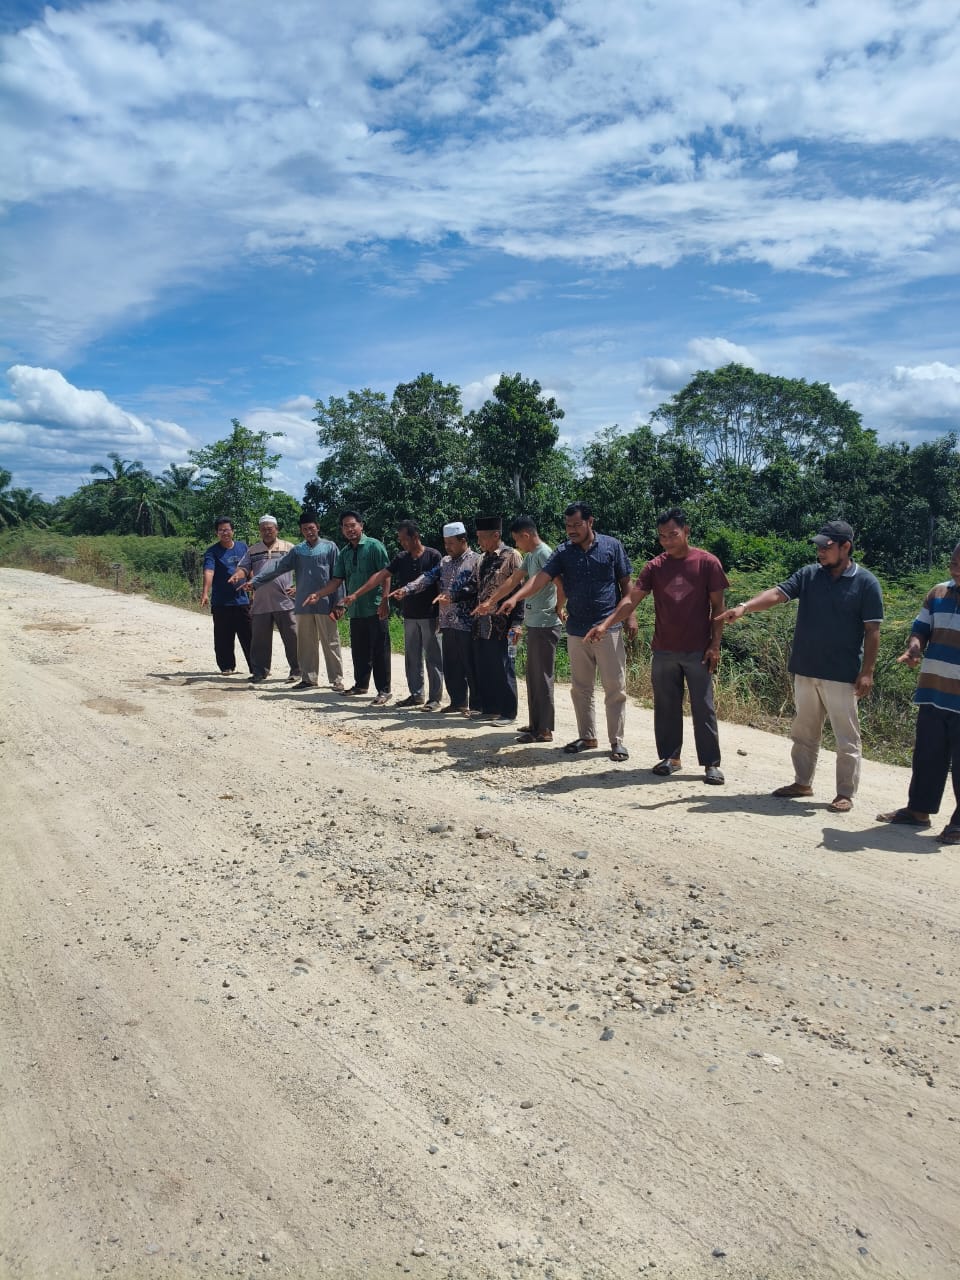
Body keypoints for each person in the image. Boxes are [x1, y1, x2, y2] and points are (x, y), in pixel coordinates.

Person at [718, 520, 883, 812]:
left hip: (842, 673)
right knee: (804, 732)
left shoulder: (866, 582)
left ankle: (845, 793)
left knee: (846, 736)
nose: (820, 551)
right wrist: (744, 607)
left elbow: (873, 630)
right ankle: (802, 782)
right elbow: (778, 593)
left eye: (826, 547)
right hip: (806, 668)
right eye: (818, 546)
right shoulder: (809, 575)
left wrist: (867, 672)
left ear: (845, 547)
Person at [585, 508, 728, 784]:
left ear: (686, 531)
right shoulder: (655, 567)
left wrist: (715, 645)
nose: (667, 541)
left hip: (698, 650)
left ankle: (711, 764)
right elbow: (631, 600)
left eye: (673, 534)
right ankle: (671, 758)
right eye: (662, 536)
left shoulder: (707, 563)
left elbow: (718, 608)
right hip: (663, 649)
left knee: (703, 707)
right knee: (665, 706)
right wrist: (606, 624)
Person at [500, 501, 636, 761]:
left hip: (609, 626)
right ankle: (587, 736)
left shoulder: (612, 546)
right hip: (577, 630)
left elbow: (626, 582)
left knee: (614, 687)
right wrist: (515, 598)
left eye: (577, 524)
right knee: (581, 688)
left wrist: (631, 617)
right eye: (568, 525)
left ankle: (617, 742)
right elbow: (540, 579)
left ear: (590, 522)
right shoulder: (563, 552)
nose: (571, 530)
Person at [877, 541, 960, 845]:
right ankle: (918, 811)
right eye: (953, 562)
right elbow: (921, 629)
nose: (955, 569)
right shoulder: (938, 593)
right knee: (927, 755)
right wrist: (914, 648)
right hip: (934, 691)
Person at [473, 515, 562, 742]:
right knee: (533, 677)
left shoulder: (544, 553)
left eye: (516, 540)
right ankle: (535, 724)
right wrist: (490, 601)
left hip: (545, 623)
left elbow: (560, 583)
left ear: (526, 535)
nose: (516, 544)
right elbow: (513, 581)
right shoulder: (531, 555)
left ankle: (544, 730)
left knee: (542, 677)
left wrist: (560, 607)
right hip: (535, 622)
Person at [337, 520, 443, 709]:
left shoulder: (433, 555)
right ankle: (416, 695)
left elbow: (438, 583)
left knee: (433, 658)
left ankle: (434, 699)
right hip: (409, 614)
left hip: (430, 614)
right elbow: (380, 575)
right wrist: (356, 594)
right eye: (400, 540)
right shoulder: (401, 558)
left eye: (404, 539)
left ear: (415, 537)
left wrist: (442, 613)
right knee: (412, 658)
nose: (401, 543)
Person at [243, 510, 345, 691]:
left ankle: (336, 679)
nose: (309, 532)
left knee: (331, 642)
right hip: (303, 604)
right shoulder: (298, 551)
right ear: (301, 530)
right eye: (305, 529)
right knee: (305, 643)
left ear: (317, 527)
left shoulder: (330, 547)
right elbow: (277, 567)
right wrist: (255, 581)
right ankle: (308, 678)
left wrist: (339, 603)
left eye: (311, 528)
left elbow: (338, 576)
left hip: (326, 603)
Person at [391, 522, 480, 715]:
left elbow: (474, 588)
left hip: (467, 621)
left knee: (470, 664)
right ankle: (458, 702)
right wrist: (406, 589)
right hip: (447, 620)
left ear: (463, 540)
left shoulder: (476, 561)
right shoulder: (445, 562)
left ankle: (477, 706)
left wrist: (454, 597)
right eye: (445, 543)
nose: (447, 547)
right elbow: (427, 578)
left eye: (451, 543)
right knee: (451, 665)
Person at [304, 510, 391, 705]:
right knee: (359, 650)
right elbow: (336, 581)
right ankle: (361, 685)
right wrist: (318, 594)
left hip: (375, 606)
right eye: (345, 526)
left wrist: (385, 600)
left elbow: (386, 574)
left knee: (380, 650)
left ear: (361, 526)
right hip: (356, 609)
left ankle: (384, 690)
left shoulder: (374, 546)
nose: (350, 529)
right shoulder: (344, 552)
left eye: (353, 525)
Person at [446, 516, 523, 726]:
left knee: (503, 667)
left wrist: (517, 622)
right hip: (481, 623)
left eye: (482, 537)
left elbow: (520, 591)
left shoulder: (512, 556)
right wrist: (453, 596)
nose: (479, 542)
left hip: (502, 622)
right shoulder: (481, 558)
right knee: (485, 667)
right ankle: (490, 709)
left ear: (496, 535)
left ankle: (508, 712)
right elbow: (473, 586)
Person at [230, 515, 300, 683]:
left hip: (285, 601)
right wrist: (238, 575)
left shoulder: (289, 548)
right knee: (259, 640)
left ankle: (298, 671)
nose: (267, 532)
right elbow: (243, 567)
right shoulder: (253, 550)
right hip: (261, 602)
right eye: (263, 529)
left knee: (293, 637)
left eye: (270, 529)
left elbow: (303, 569)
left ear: (277, 529)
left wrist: (299, 587)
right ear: (259, 531)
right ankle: (260, 672)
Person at [200, 516, 252, 675]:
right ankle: (226, 666)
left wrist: (254, 584)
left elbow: (250, 568)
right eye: (221, 530)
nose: (225, 533)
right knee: (223, 636)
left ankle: (256, 666)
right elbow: (209, 571)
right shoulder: (212, 551)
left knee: (249, 635)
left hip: (242, 600)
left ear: (233, 531)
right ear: (217, 533)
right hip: (221, 602)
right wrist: (205, 592)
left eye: (227, 530)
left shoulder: (243, 547)